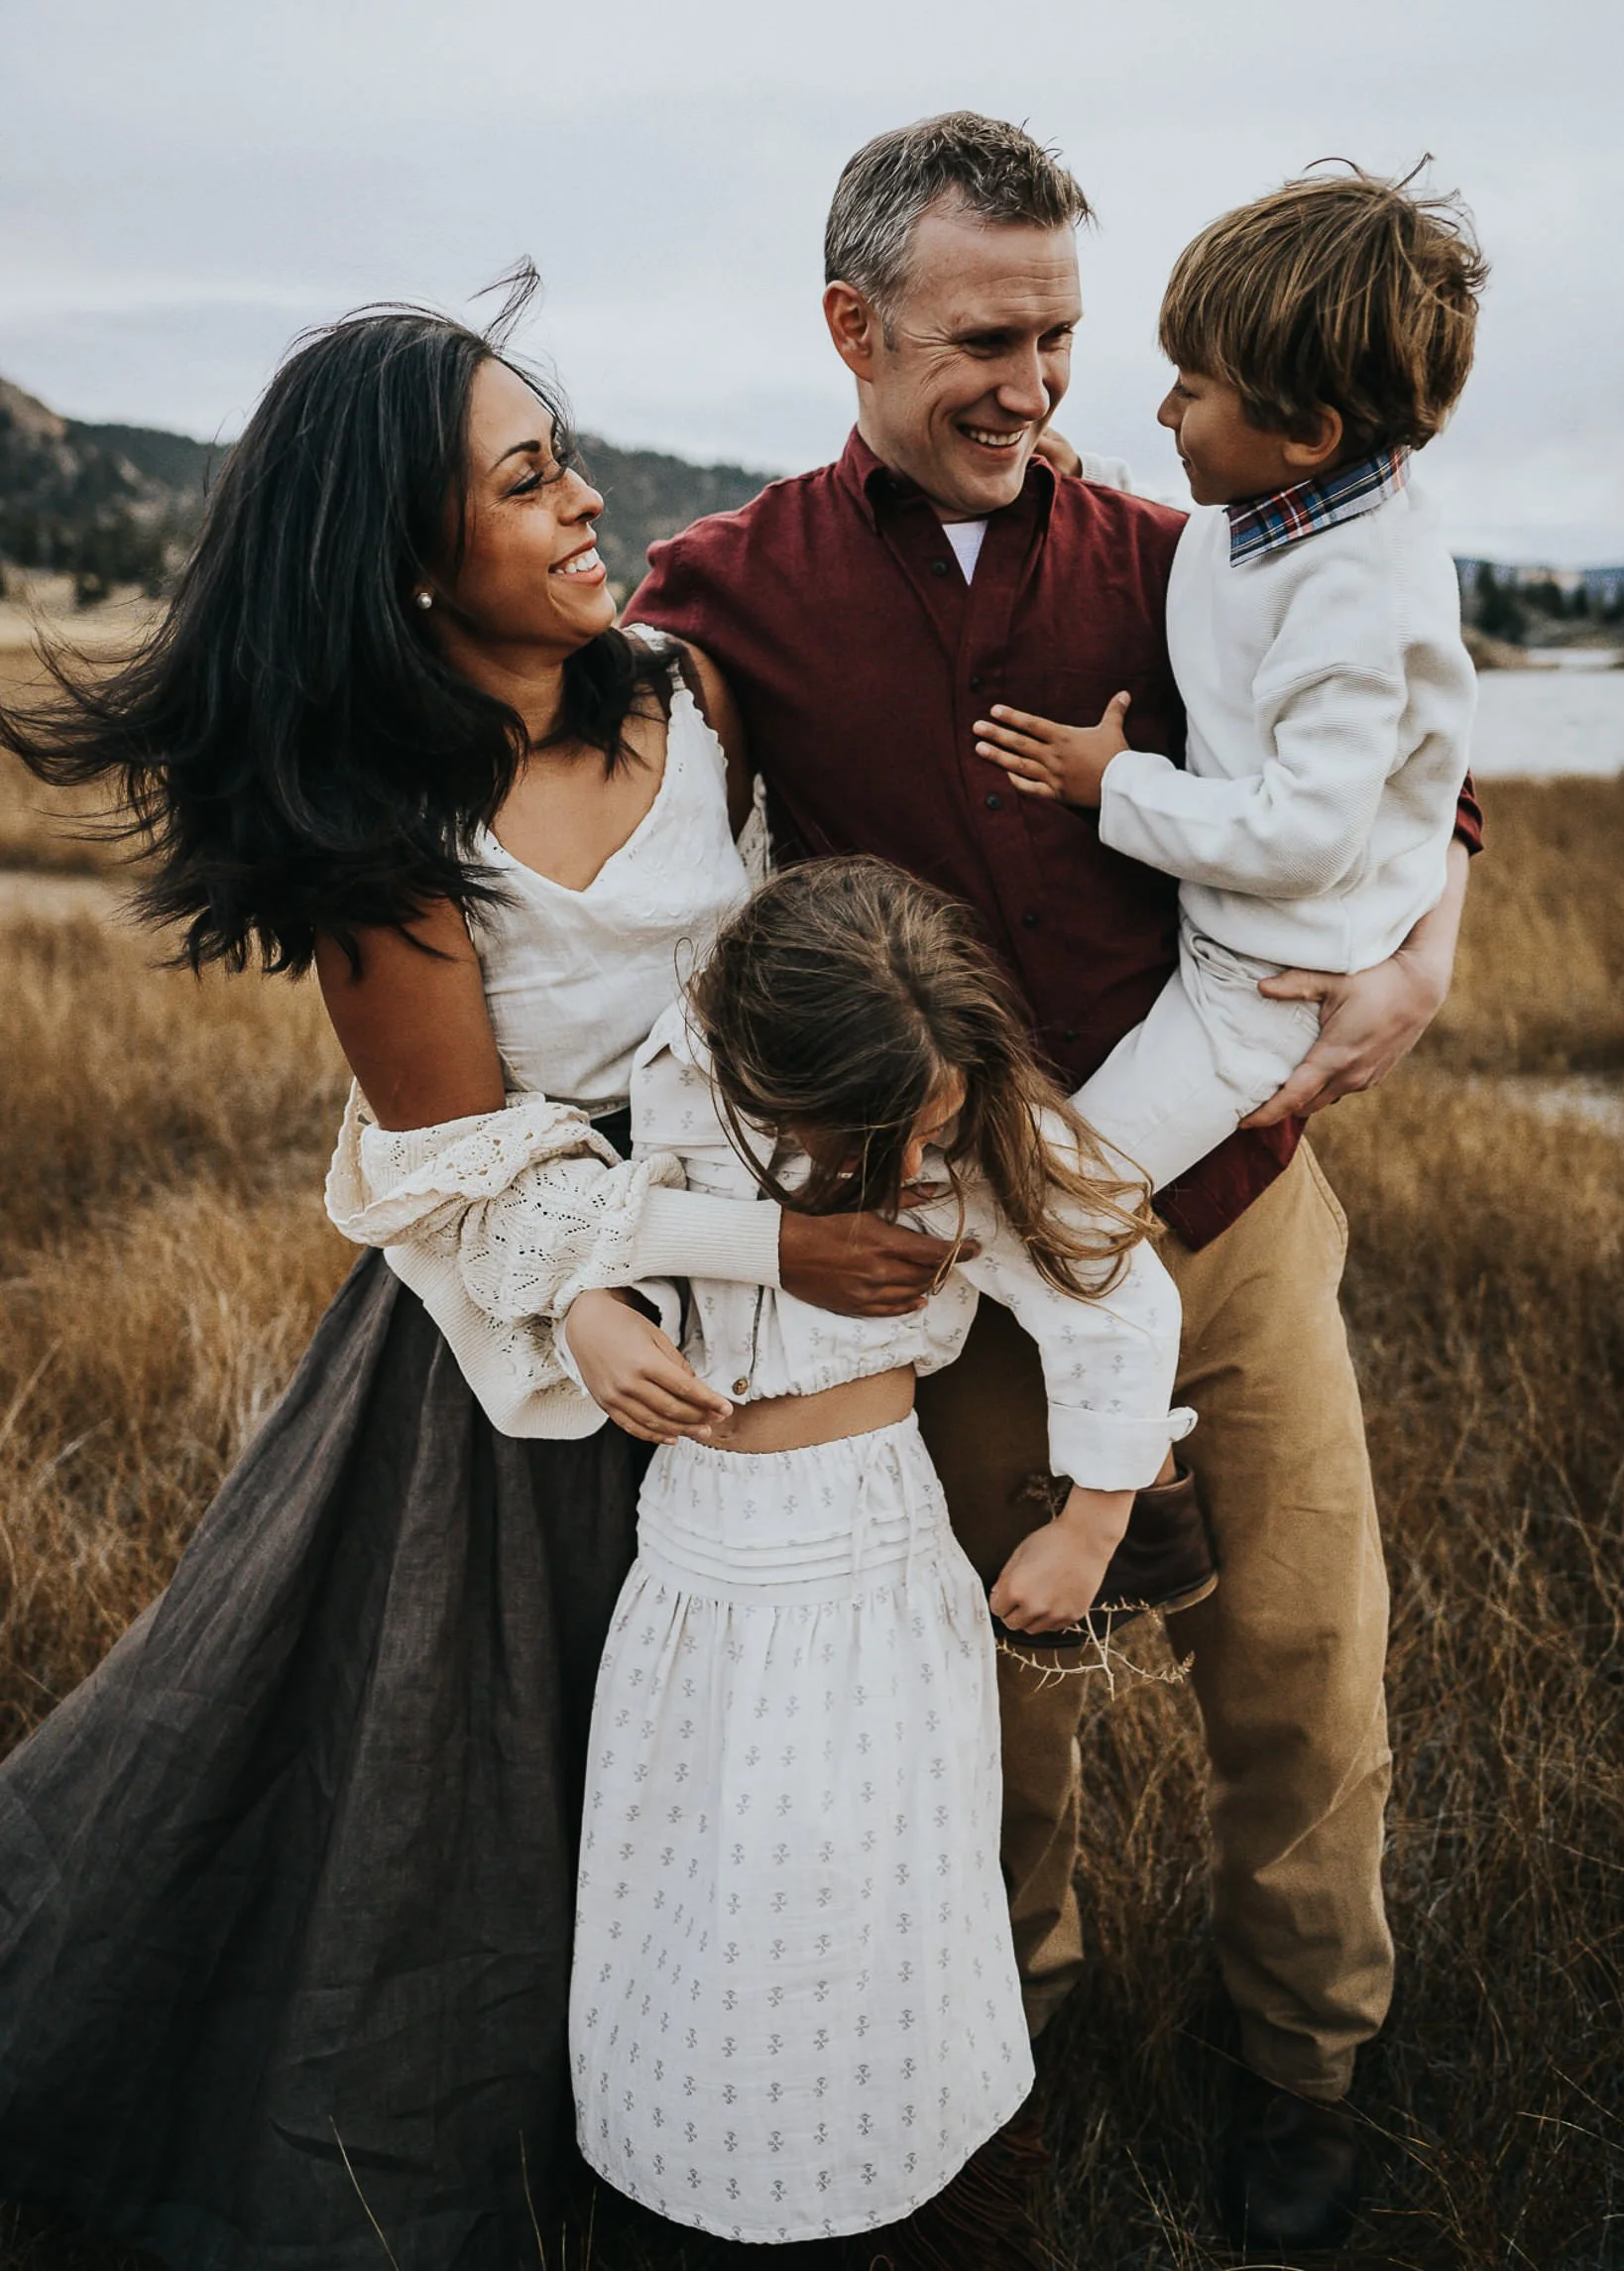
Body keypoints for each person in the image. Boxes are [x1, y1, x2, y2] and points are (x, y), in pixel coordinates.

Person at [0, 284, 958, 2269]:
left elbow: (780, 968)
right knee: (476, 1783)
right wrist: (591, 1296)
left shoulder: (693, 695)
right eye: (527, 481)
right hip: (522, 1340)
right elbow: (453, 1152)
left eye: (565, 449)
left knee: (756, 1749)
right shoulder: (378, 818)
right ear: (405, 559)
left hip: (761, 1297)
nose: (585, 497)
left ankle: (751, 2137)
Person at [625, 112, 1484, 2252]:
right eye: (983, 338)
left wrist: (1428, 933)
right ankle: (995, 2050)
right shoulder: (724, 589)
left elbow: (1377, 762)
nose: (1035, 385)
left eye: (1064, 336)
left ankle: (1301, 2069)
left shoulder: (1186, 552)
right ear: (854, 326)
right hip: (970, 1264)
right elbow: (594, 822)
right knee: (994, 1698)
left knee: (1302, 1662)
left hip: (1232, 1215)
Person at [562, 857, 1193, 2250]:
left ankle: (898, 2195)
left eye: (934, 1130)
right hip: (690, 1561)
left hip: (864, 1566)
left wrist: (1094, 1524)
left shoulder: (960, 1131)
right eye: (879, 1141)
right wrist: (590, 1310)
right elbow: (573, 1219)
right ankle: (707, 2186)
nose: (915, 1168)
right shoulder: (673, 1076)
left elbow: (1121, 1298)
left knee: (857, 1893)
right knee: (697, 1888)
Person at [974, 167, 1484, 1193]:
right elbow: (1210, 552)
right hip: (1216, 944)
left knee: (1063, 1195)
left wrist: (1110, 782)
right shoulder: (1292, 506)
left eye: (1192, 389)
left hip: (1263, 985)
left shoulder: (1363, 605)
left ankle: (1117, 1347)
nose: (1164, 408)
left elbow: (1304, 838)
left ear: (1306, 435)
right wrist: (1089, 491)